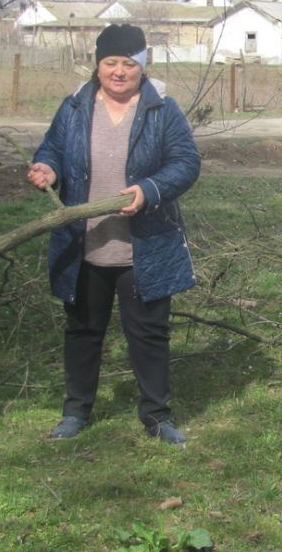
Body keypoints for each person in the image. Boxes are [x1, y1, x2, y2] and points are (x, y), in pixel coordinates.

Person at [27, 24, 201, 442]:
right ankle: (76, 412)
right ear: (98, 64)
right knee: (84, 330)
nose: (119, 72)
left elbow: (186, 163)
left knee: (149, 334)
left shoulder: (162, 110)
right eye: (110, 63)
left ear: (142, 66)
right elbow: (52, 147)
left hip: (143, 246)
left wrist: (149, 189)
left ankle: (157, 416)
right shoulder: (74, 106)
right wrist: (47, 167)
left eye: (128, 63)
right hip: (84, 243)